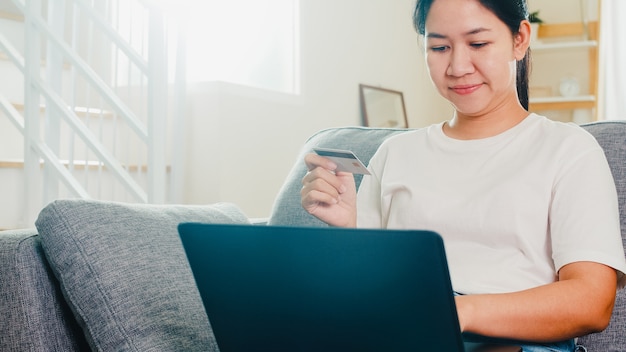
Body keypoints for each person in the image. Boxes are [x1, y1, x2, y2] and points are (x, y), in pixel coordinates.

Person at [300, 0, 626, 351]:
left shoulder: (569, 149)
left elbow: (593, 302)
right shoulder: (396, 154)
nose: (457, 66)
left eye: (478, 44)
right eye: (439, 47)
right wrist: (347, 229)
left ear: (520, 38)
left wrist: (459, 312)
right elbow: (365, 296)